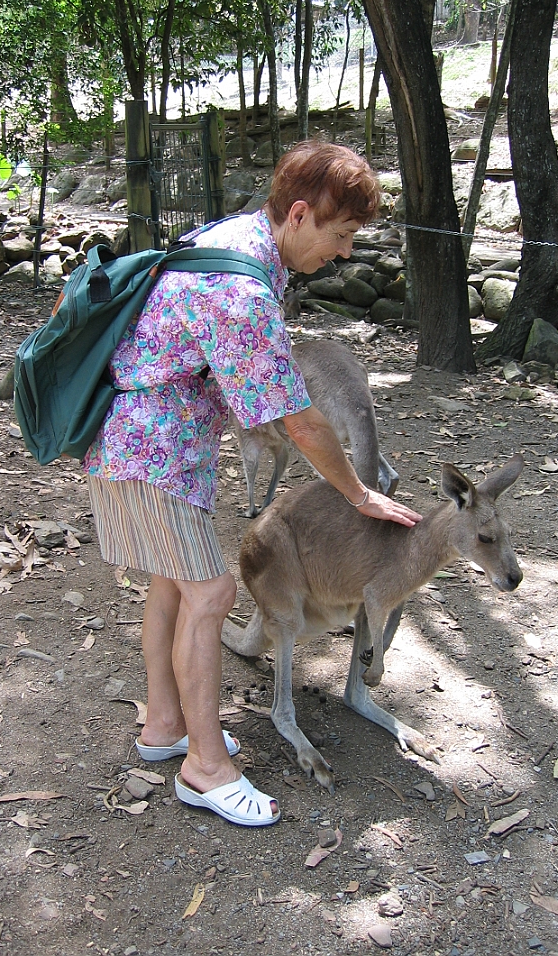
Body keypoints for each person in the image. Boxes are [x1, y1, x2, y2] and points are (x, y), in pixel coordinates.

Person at [83, 140, 422, 828]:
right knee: (212, 591)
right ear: (299, 214)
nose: (347, 253)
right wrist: (359, 495)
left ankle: (165, 729)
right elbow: (298, 420)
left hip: (149, 441)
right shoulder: (242, 291)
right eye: (342, 234)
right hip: (148, 448)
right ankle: (205, 769)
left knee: (174, 585)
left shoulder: (235, 235)